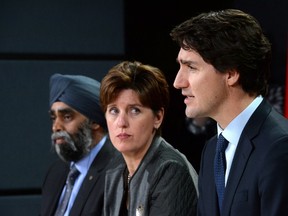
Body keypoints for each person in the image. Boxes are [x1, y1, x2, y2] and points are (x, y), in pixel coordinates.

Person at [170, 8, 288, 216]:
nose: (178, 82)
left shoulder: (279, 149)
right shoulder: (212, 148)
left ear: (231, 74)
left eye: (191, 67)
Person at [100, 61, 198, 216]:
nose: (121, 122)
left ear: (157, 117)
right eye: (113, 110)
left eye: (134, 110)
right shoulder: (116, 169)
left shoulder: (170, 170)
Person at [40, 74, 119, 216]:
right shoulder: (55, 173)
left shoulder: (117, 173)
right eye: (53, 118)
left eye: (67, 117)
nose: (56, 127)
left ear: (94, 121)